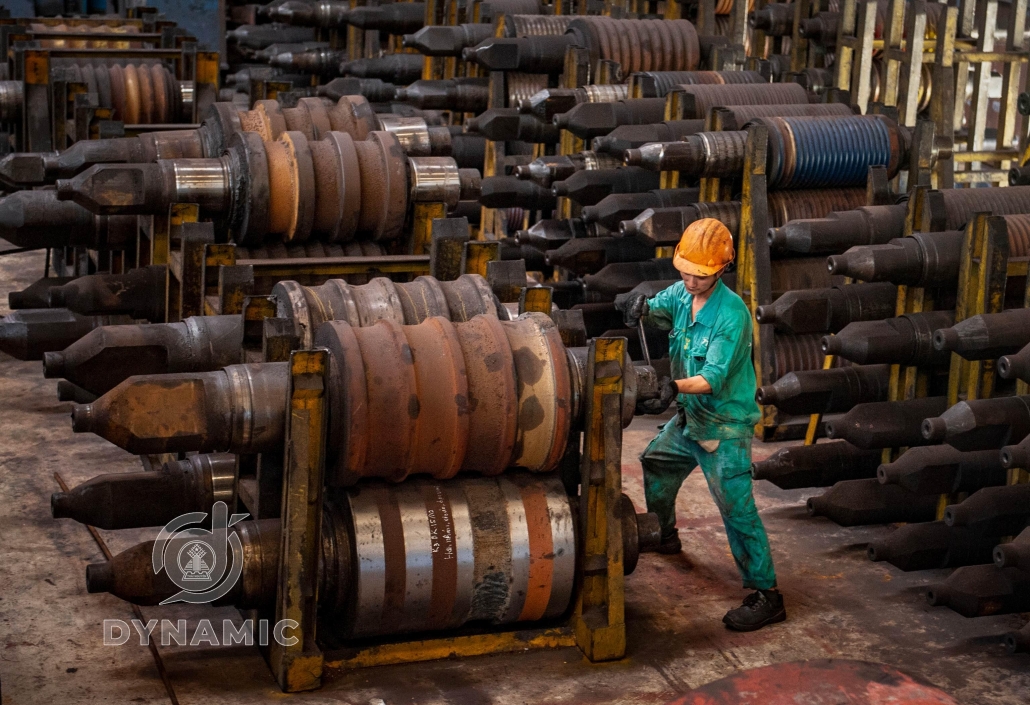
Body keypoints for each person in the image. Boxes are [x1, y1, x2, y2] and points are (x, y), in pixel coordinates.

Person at [617, 218, 786, 632]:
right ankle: (665, 534)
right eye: (685, 270)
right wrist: (636, 305)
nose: (690, 279)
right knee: (656, 461)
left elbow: (712, 378)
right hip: (690, 417)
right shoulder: (683, 291)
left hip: (723, 425)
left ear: (721, 270)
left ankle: (769, 596)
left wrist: (672, 387)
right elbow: (658, 311)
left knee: (736, 510)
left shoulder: (732, 316)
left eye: (700, 274)